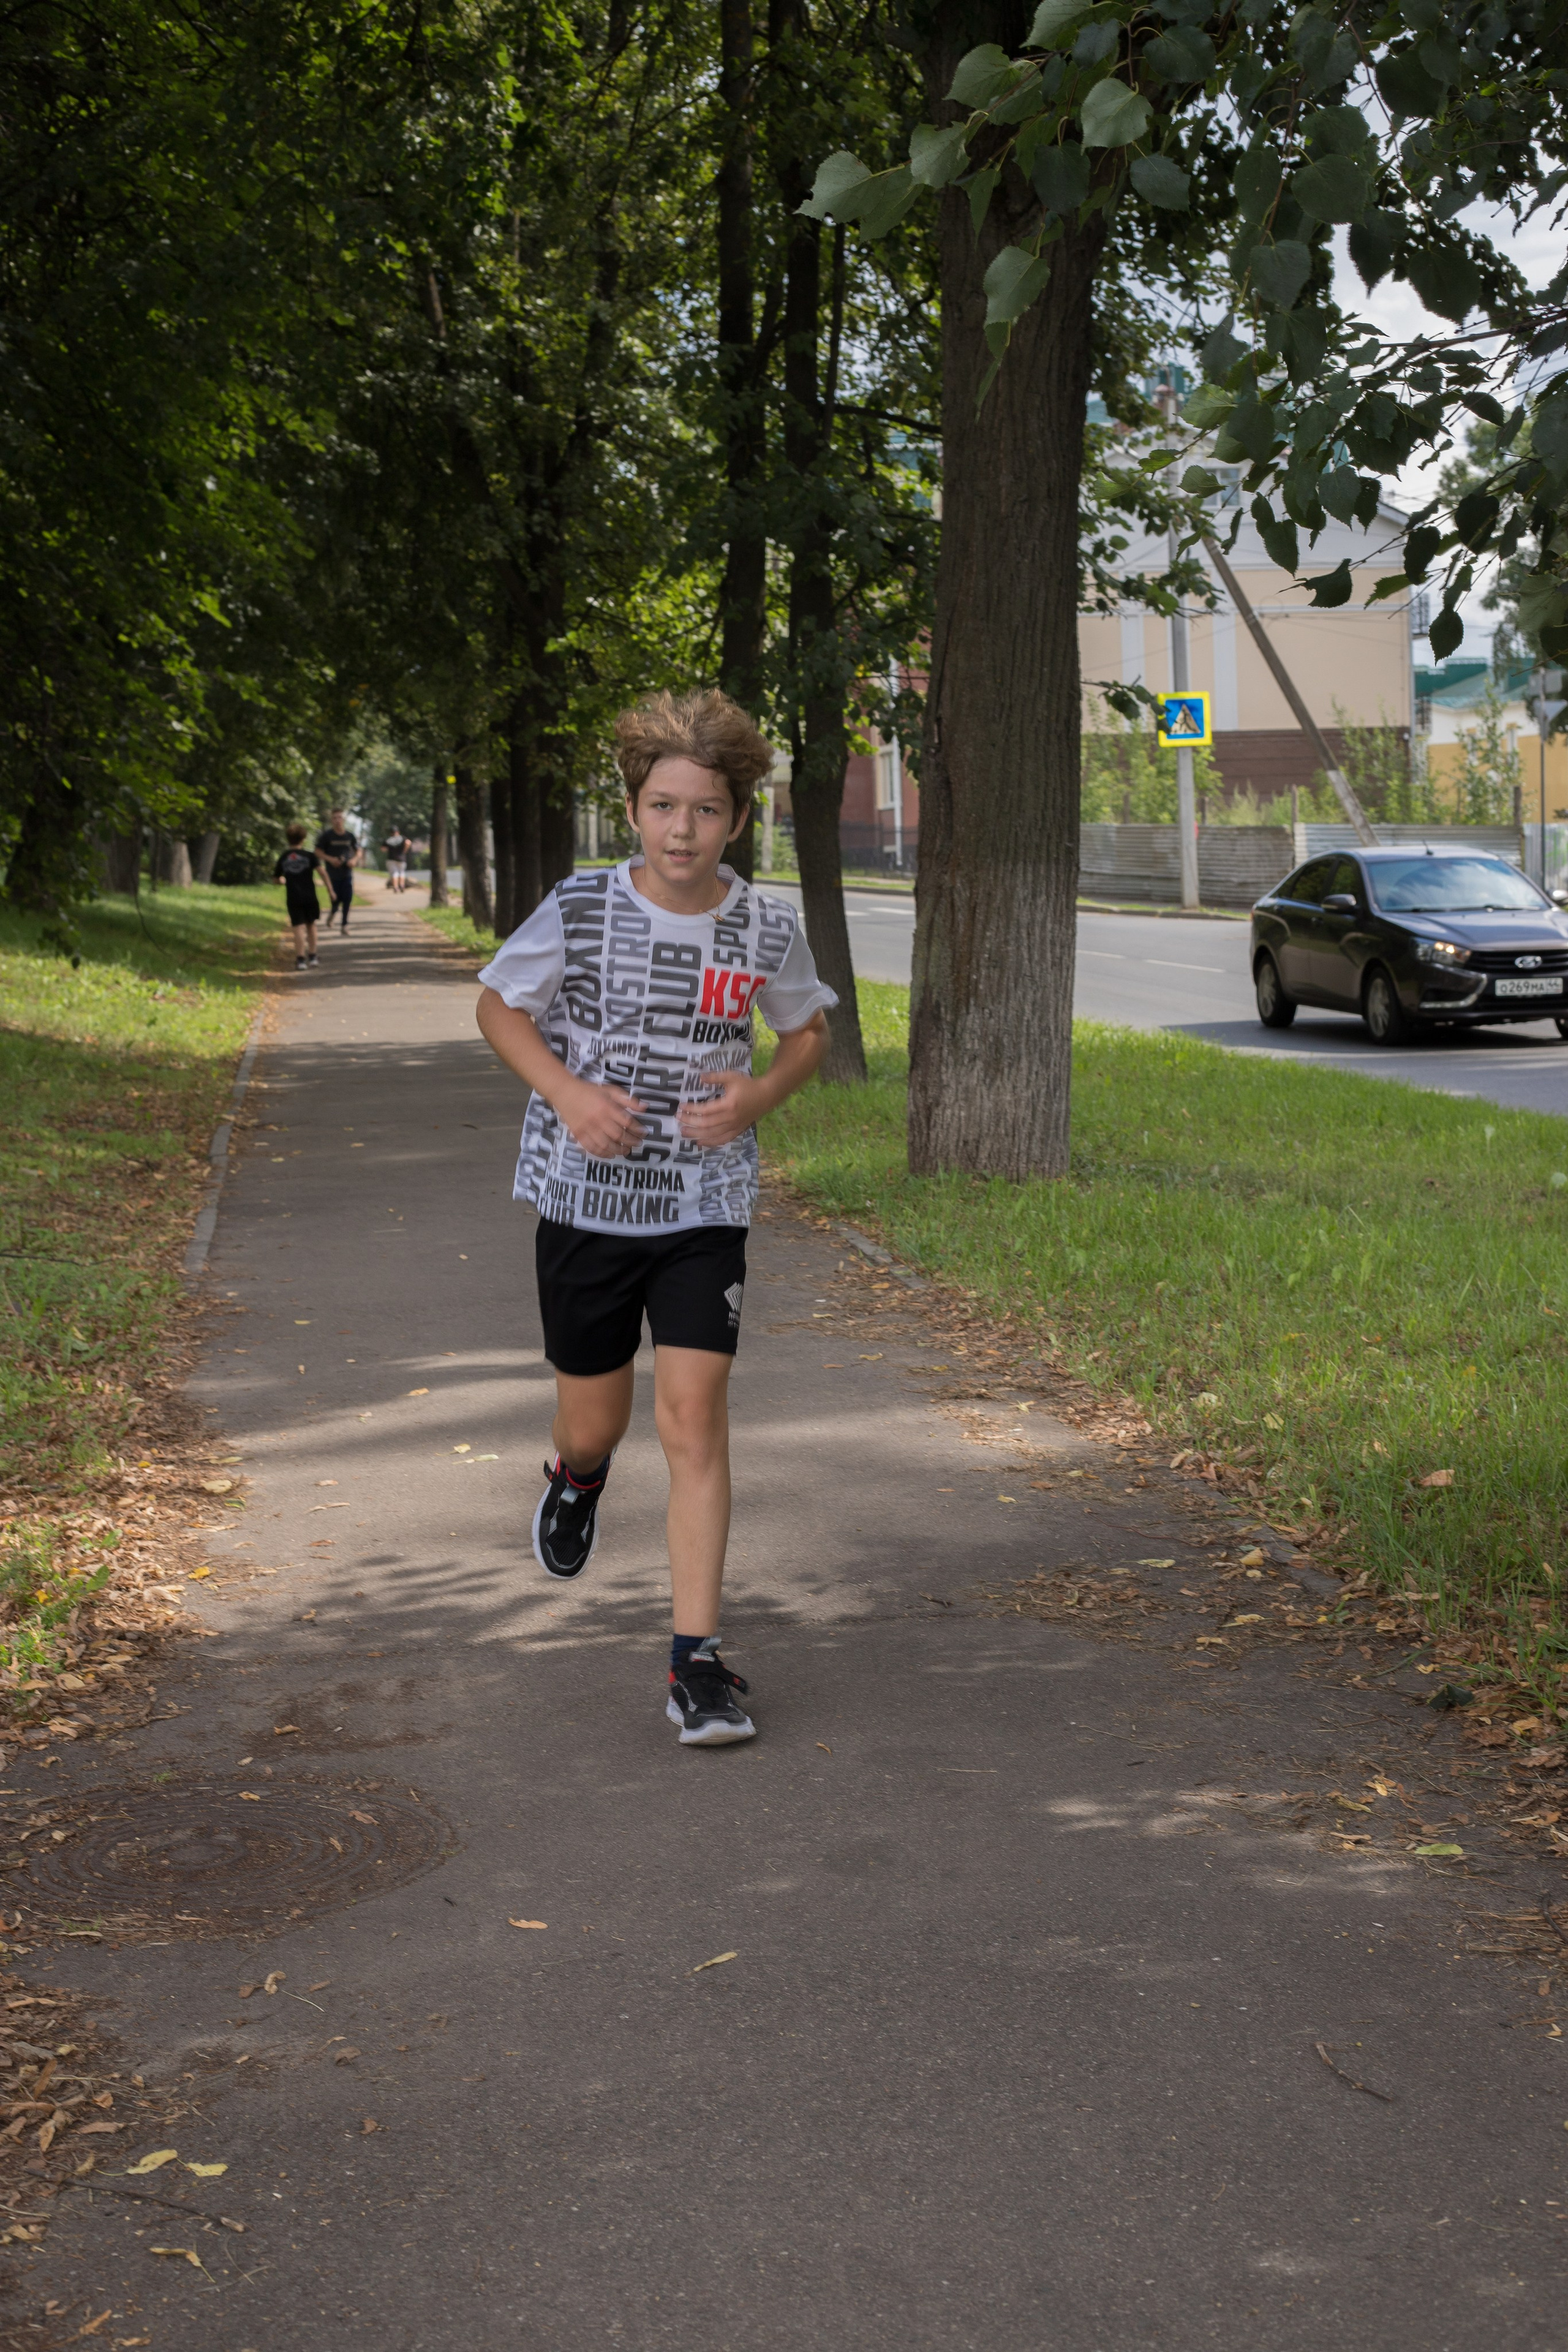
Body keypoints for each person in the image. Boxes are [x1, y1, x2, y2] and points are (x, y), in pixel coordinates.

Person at [475, 690, 834, 1746]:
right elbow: (498, 1005)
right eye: (665, 807)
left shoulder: (763, 924)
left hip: (701, 1205)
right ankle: (577, 1476)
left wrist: (758, 1098)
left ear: (738, 820)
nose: (684, 830)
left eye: (707, 810)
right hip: (586, 1204)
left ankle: (697, 1664)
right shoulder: (581, 907)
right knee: (598, 1421)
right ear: (633, 810)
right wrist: (568, 1094)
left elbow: (807, 1033)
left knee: (693, 1417)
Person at [273, 822, 325, 970]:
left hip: (293, 897)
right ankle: (313, 956)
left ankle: (301, 959)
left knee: (298, 927)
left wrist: (283, 881)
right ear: (303, 839)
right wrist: (331, 890)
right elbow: (322, 872)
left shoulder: (284, 857)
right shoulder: (309, 856)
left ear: (288, 838)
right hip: (310, 896)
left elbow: (276, 879)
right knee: (311, 925)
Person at [315, 808, 361, 932]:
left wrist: (354, 860)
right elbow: (318, 852)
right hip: (332, 874)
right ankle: (333, 912)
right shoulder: (327, 836)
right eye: (335, 818)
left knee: (347, 898)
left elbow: (358, 851)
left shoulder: (350, 836)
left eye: (340, 817)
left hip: (347, 873)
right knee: (336, 899)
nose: (338, 820)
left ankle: (344, 924)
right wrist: (331, 859)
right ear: (332, 820)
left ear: (344, 819)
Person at [383, 822, 412, 893]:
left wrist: (389, 849)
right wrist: (405, 850)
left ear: (391, 833)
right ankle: (402, 886)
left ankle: (396, 887)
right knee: (402, 872)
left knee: (394, 873)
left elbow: (383, 849)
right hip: (402, 858)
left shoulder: (388, 840)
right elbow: (408, 842)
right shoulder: (402, 838)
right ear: (398, 832)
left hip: (391, 859)